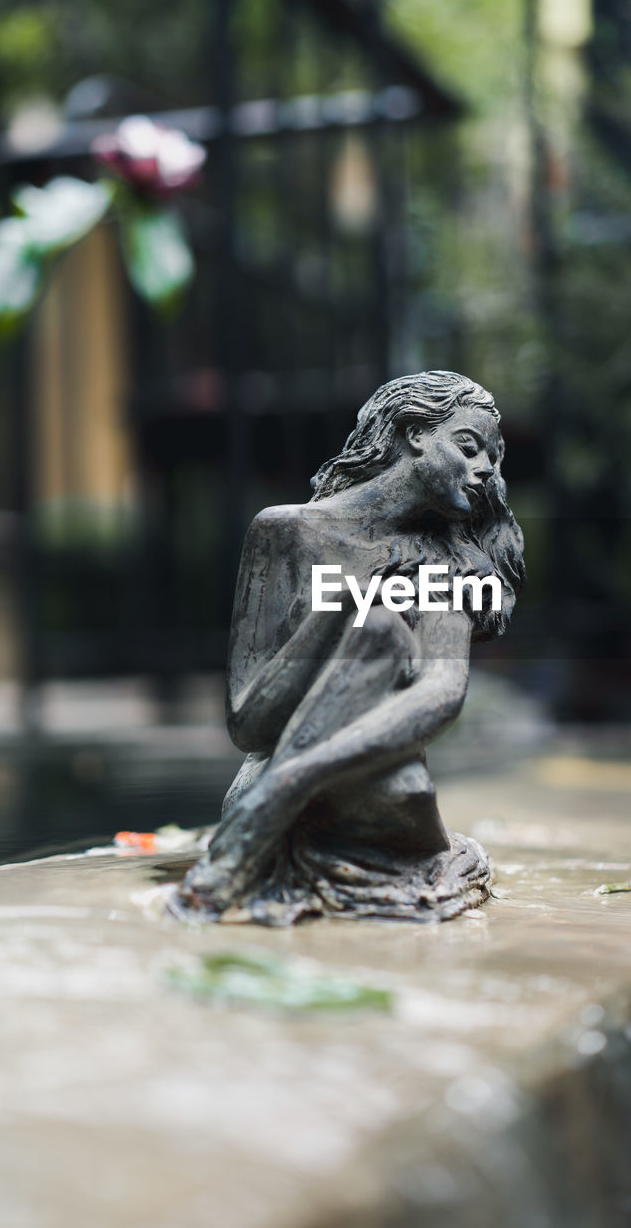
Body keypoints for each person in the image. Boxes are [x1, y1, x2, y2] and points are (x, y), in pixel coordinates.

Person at [172, 371, 525, 924]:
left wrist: (294, 778)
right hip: (273, 780)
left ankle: (271, 815)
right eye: (469, 446)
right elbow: (248, 726)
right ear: (413, 433)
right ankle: (274, 809)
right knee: (377, 628)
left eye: (495, 461)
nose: (487, 471)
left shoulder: (447, 561)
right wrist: (340, 606)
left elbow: (441, 695)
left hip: (380, 791)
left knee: (381, 635)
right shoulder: (287, 533)